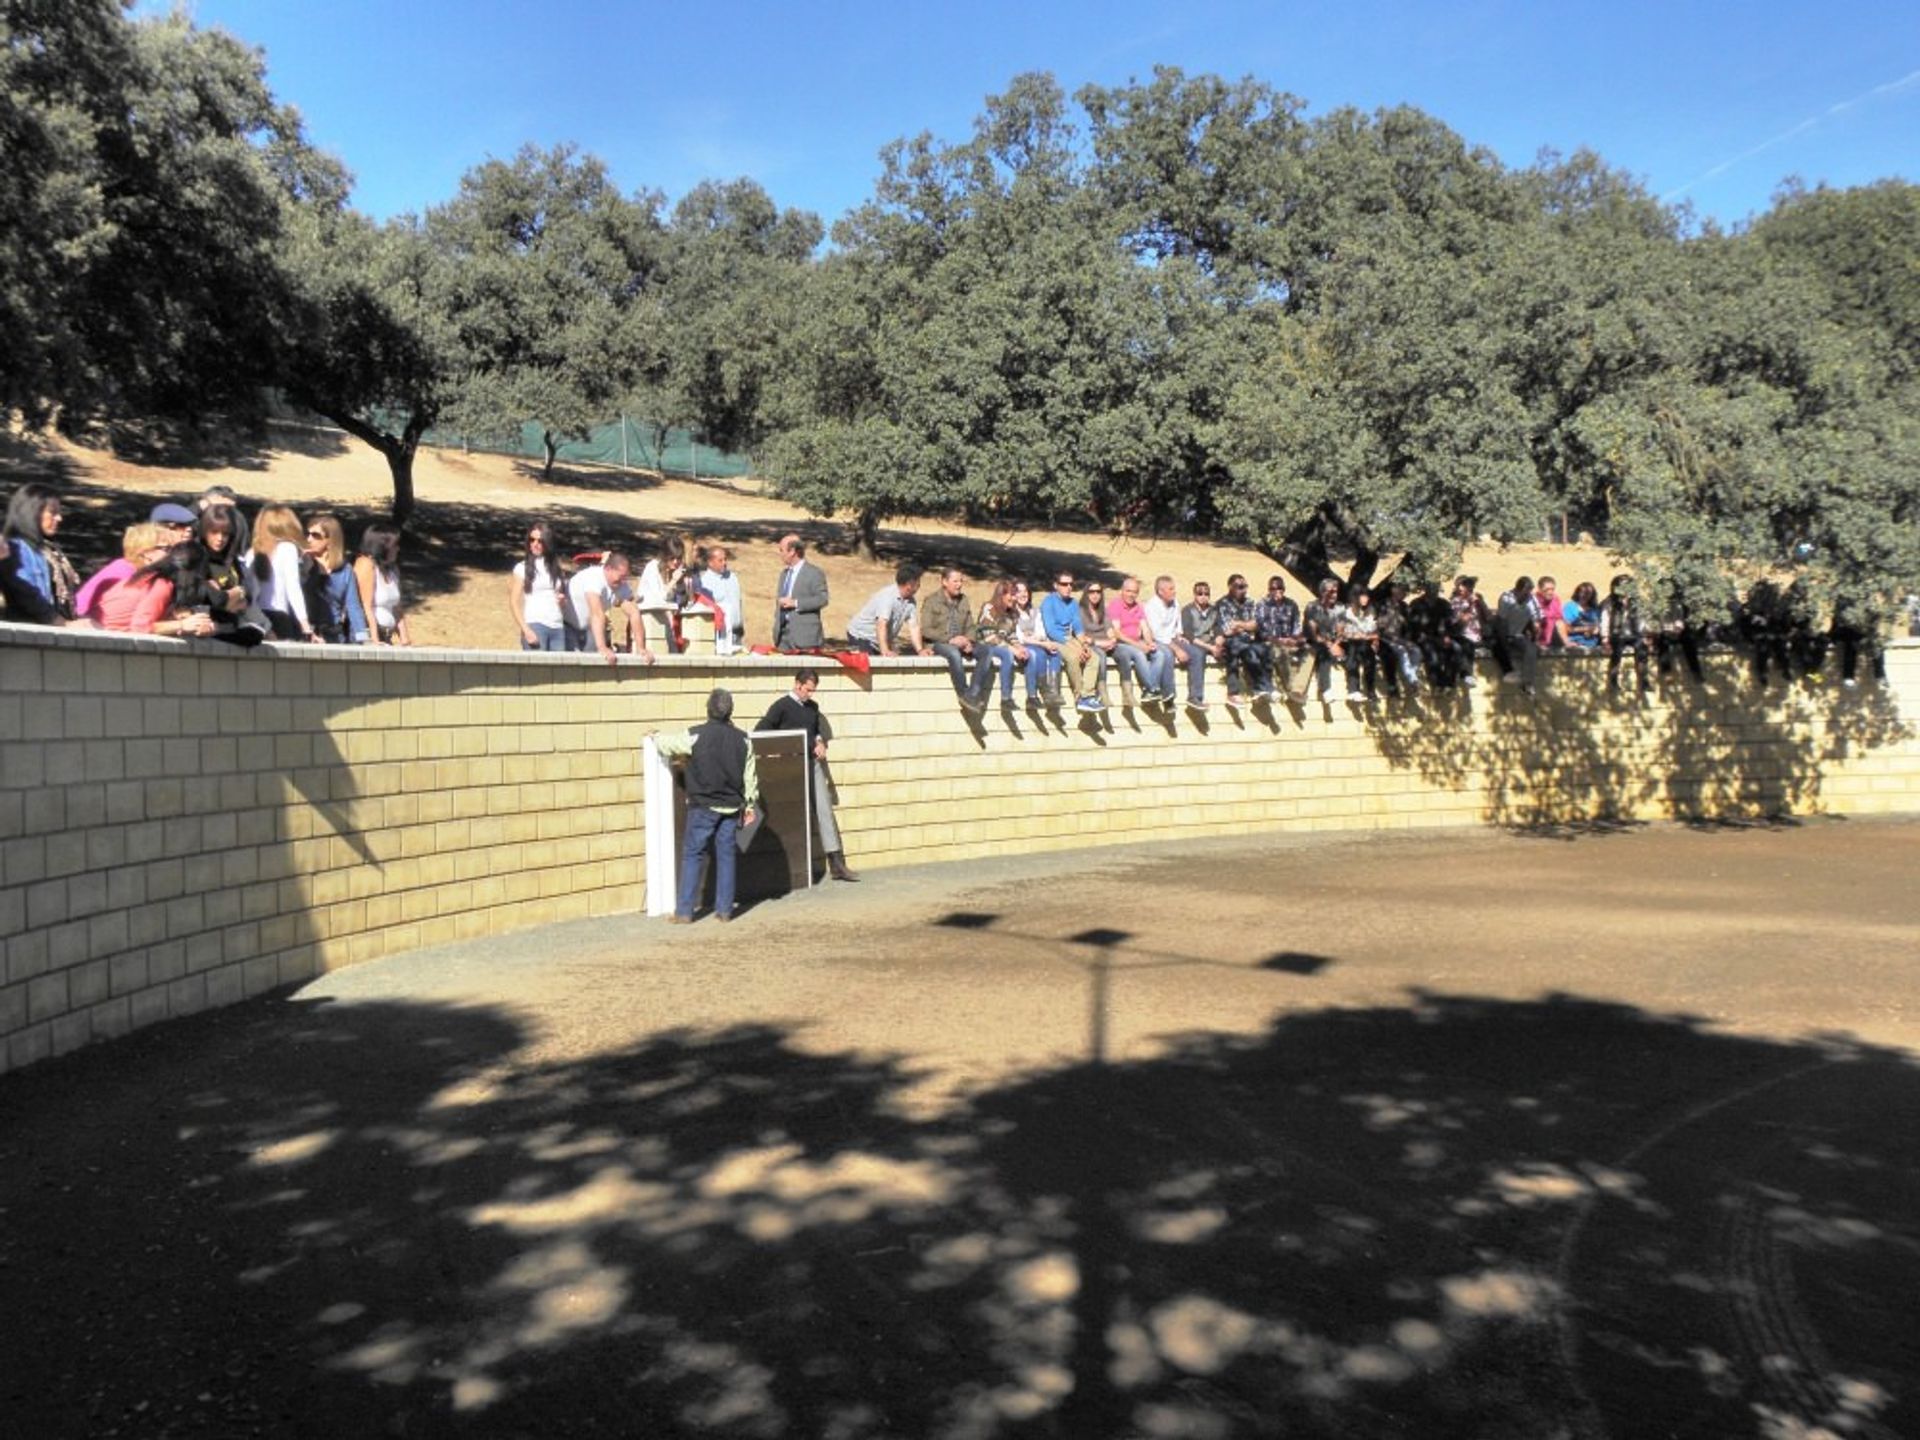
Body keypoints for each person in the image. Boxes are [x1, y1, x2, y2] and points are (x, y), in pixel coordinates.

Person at [655, 688, 760, 923]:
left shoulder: (695, 735)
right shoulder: (744, 739)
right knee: (726, 855)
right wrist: (750, 805)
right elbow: (750, 778)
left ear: (708, 709)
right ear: (730, 710)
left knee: (693, 854)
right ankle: (724, 911)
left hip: (703, 806)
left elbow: (667, 745)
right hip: (732, 807)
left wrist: (654, 737)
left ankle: (684, 912)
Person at [758, 668, 858, 882]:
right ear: (797, 684)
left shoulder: (813, 707)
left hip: (812, 764)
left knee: (824, 810)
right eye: (808, 690)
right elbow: (761, 731)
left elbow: (816, 730)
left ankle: (836, 863)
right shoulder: (781, 706)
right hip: (790, 767)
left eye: (813, 691)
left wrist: (820, 742)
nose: (810, 694)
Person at [90, 525, 216, 637]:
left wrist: (194, 623)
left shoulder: (150, 577)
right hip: (97, 637)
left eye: (175, 549)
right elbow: (140, 627)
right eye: (167, 549)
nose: (172, 555)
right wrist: (181, 624)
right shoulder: (160, 583)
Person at [1, 482, 81, 624]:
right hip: (28, 634)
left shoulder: (46, 550)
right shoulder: (14, 548)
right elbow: (24, 593)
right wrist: (59, 621)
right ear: (33, 511)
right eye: (53, 512)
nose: (59, 518)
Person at [921, 567, 996, 711]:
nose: (959, 584)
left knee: (987, 651)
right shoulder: (931, 601)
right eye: (955, 581)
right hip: (939, 643)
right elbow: (926, 630)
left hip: (962, 642)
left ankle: (972, 694)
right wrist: (950, 639)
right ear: (944, 581)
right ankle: (963, 693)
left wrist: (969, 640)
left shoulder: (964, 600)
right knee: (954, 654)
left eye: (961, 581)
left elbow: (971, 626)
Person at [568, 551, 653, 663]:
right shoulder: (594, 578)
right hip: (567, 625)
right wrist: (602, 647)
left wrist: (641, 648)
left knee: (592, 664)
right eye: (620, 576)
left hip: (588, 628)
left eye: (625, 577)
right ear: (608, 569)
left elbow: (634, 612)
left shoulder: (620, 585)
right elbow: (597, 613)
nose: (622, 581)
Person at [1040, 570, 1104, 712]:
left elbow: (1078, 628)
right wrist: (1075, 648)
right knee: (1073, 657)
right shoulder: (1048, 602)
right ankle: (1079, 696)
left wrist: (1084, 645)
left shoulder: (1073, 603)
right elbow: (1051, 631)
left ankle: (1088, 695)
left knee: (1094, 658)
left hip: (1069, 638)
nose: (1068, 587)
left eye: (1071, 584)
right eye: (1064, 584)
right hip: (1054, 640)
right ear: (1055, 585)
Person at [249, 505, 315, 641]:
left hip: (255, 617)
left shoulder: (251, 552)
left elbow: (252, 593)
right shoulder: (287, 549)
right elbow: (293, 588)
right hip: (279, 618)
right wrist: (305, 625)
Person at [303, 512, 368, 644]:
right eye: (308, 534)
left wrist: (363, 639)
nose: (309, 539)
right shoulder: (302, 563)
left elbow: (353, 607)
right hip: (305, 635)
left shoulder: (345, 570)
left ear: (330, 540)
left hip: (333, 636)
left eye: (315, 535)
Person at [1109, 575, 1175, 704]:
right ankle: (1152, 688)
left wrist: (1149, 643)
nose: (1131, 595)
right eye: (1128, 591)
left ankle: (1149, 691)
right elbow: (1117, 633)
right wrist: (1138, 645)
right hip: (1121, 645)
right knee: (1139, 654)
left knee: (1159, 654)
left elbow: (1145, 628)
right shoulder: (1115, 605)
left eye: (1134, 592)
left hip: (1136, 642)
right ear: (1122, 591)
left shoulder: (1138, 607)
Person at [509, 522, 569, 651]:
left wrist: (563, 602)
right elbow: (513, 602)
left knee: (558, 670)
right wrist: (526, 629)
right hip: (535, 625)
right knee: (537, 671)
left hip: (557, 627)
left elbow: (562, 602)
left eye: (540, 541)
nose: (535, 544)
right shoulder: (522, 568)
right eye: (532, 540)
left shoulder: (557, 569)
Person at [847, 564, 927, 657]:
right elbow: (881, 624)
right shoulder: (887, 597)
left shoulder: (910, 602)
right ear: (909, 584)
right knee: (869, 664)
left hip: (878, 639)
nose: (919, 586)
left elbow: (914, 627)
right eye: (918, 582)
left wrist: (920, 650)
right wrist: (885, 651)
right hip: (861, 636)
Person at [972, 579, 1029, 708]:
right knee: (1007, 654)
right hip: (983, 645)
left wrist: (1019, 647)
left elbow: (1010, 634)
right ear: (1001, 595)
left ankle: (1007, 699)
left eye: (1015, 595)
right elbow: (989, 636)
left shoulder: (1011, 613)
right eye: (1011, 594)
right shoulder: (989, 608)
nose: (1014, 598)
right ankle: (1006, 697)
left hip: (1000, 645)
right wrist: (1012, 649)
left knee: (1011, 653)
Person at [354, 524, 413, 647]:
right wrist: (374, 640)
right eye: (394, 545)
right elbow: (366, 606)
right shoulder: (366, 564)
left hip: (386, 636)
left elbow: (397, 608)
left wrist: (404, 638)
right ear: (382, 546)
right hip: (368, 634)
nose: (398, 549)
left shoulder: (392, 570)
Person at [1254, 576, 1308, 702]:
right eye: (1273, 588)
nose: (1277, 591)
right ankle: (1292, 689)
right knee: (1279, 651)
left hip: (1289, 641)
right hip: (1271, 642)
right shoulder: (1262, 605)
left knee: (1311, 652)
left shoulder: (1291, 605)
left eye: (1280, 588)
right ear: (1269, 590)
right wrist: (1280, 641)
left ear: (1284, 589)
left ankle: (1301, 685)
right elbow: (1262, 631)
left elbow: (1296, 626)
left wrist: (1295, 639)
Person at [772, 533, 829, 650]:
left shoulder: (814, 573)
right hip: (782, 638)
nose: (780, 554)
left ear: (792, 551)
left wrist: (796, 603)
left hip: (805, 638)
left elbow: (822, 599)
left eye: (781, 550)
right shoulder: (784, 574)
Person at [1009, 579, 1061, 706]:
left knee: (1055, 653)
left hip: (1037, 643)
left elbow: (1041, 632)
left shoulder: (1035, 611)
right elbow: (1020, 637)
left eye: (1025, 591)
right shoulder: (1011, 614)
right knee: (1039, 653)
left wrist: (1036, 638)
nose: (1023, 595)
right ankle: (1041, 691)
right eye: (1018, 592)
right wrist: (1041, 642)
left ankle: (1054, 692)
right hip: (1022, 646)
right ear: (1013, 595)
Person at [1143, 575, 1191, 706]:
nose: (1174, 591)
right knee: (1167, 655)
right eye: (1171, 589)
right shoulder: (1152, 606)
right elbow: (1157, 634)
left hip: (1172, 638)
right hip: (1157, 639)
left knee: (1196, 652)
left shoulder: (1175, 603)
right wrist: (1177, 649)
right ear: (1160, 591)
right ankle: (1168, 695)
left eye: (1173, 588)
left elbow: (1177, 623)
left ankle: (1195, 695)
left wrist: (1179, 635)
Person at [1178, 579, 1224, 711]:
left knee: (1232, 650)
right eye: (1200, 593)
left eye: (1206, 593)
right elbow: (1188, 635)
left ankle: (1235, 691)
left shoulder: (1213, 610)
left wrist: (1219, 641)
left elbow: (1218, 628)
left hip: (1208, 640)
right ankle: (1195, 697)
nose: (1203, 596)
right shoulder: (1187, 610)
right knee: (1198, 654)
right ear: (1194, 595)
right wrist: (1210, 647)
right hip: (1193, 642)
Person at [1600, 574, 1649, 695]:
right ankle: (1613, 680)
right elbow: (1605, 619)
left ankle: (1643, 681)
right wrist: (1605, 638)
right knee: (1617, 651)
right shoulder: (1610, 601)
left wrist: (1645, 635)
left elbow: (1643, 619)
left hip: (1634, 632)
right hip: (1617, 633)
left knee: (1642, 650)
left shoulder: (1638, 601)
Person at [635, 537, 685, 654]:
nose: (675, 562)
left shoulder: (673, 571)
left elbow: (682, 601)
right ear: (664, 556)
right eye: (672, 558)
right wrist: (673, 581)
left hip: (667, 623)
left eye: (678, 559)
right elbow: (660, 599)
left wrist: (680, 583)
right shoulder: (652, 567)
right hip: (649, 623)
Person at [1303, 579, 1346, 701]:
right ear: (1322, 592)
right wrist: (1330, 646)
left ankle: (1355, 690)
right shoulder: (1312, 607)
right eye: (1330, 592)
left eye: (1336, 592)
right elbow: (1314, 634)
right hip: (1315, 642)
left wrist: (1336, 644)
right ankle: (1325, 689)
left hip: (1333, 643)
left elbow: (1341, 631)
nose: (1334, 595)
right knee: (1324, 653)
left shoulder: (1340, 608)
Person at [1338, 584, 1382, 703]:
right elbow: (1340, 633)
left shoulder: (1371, 611)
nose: (1365, 599)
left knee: (1369, 658)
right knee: (1353, 653)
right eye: (1362, 596)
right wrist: (1354, 636)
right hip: (1349, 643)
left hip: (1365, 642)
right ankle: (1353, 690)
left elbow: (1376, 632)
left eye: (1367, 596)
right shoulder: (1347, 612)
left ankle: (1371, 691)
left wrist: (1370, 638)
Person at [1496, 576, 1539, 695]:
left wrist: (1535, 627)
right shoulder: (1506, 598)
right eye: (1525, 592)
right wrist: (1504, 642)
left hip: (1518, 634)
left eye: (1529, 591)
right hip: (1504, 632)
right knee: (1501, 648)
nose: (1527, 595)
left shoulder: (1532, 599)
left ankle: (1527, 684)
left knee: (1531, 650)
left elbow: (1535, 617)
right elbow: (1502, 622)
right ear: (1518, 590)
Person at [700, 545, 745, 654]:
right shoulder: (705, 582)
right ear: (710, 562)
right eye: (720, 560)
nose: (724, 563)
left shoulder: (732, 577)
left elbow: (738, 604)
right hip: (720, 636)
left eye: (725, 559)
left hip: (737, 634)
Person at [1562, 582, 1602, 651]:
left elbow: (1599, 626)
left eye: (1588, 593)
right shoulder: (1570, 607)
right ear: (1577, 592)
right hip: (1575, 644)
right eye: (1582, 592)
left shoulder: (1595, 609)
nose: (1585, 595)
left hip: (1593, 645)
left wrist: (1596, 630)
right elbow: (1566, 628)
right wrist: (1585, 629)